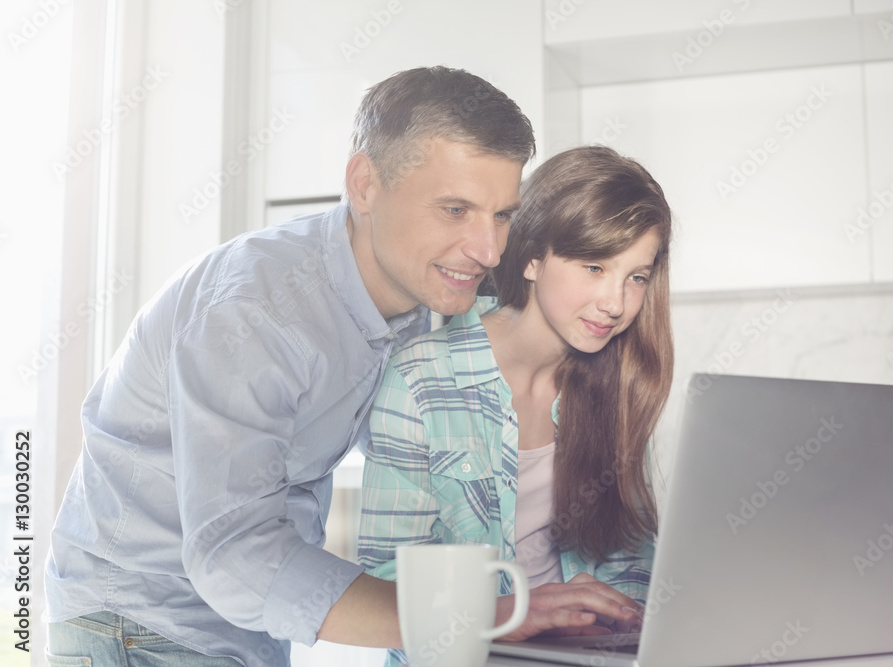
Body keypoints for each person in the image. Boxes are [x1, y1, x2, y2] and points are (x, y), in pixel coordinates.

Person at [43, 66, 629, 667]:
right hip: (137, 626)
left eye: (502, 215)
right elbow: (236, 555)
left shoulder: (421, 295)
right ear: (365, 184)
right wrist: (484, 613)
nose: (489, 250)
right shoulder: (257, 313)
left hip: (236, 630)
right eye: (455, 210)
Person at [358, 145, 675, 665]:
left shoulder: (619, 382)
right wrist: (509, 612)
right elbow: (384, 582)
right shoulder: (419, 379)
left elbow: (630, 558)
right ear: (532, 258)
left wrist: (617, 625)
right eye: (594, 267)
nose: (616, 303)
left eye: (635, 277)